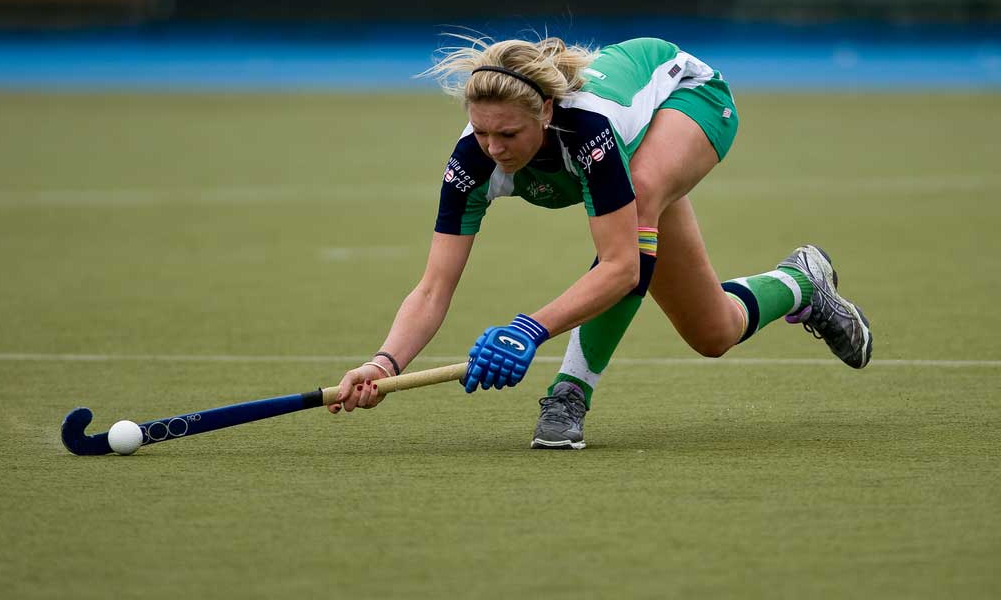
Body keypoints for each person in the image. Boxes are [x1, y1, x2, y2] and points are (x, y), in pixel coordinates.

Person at [328, 34, 872, 449]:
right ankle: (802, 282)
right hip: (637, 146)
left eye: (508, 134)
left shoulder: (588, 129)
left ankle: (570, 394)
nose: (492, 147)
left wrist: (529, 330)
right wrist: (383, 364)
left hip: (690, 98)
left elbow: (621, 267)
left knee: (640, 196)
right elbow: (432, 289)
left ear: (545, 111)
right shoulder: (471, 160)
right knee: (714, 332)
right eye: (482, 131)